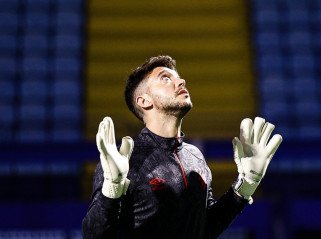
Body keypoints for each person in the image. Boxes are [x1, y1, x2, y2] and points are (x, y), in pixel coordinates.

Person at [82, 55, 282, 239]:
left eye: (178, 77)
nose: (180, 81)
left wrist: (245, 186)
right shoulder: (125, 159)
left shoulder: (195, 156)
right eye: (165, 78)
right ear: (144, 101)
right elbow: (93, 235)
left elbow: (205, 229)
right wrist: (111, 190)